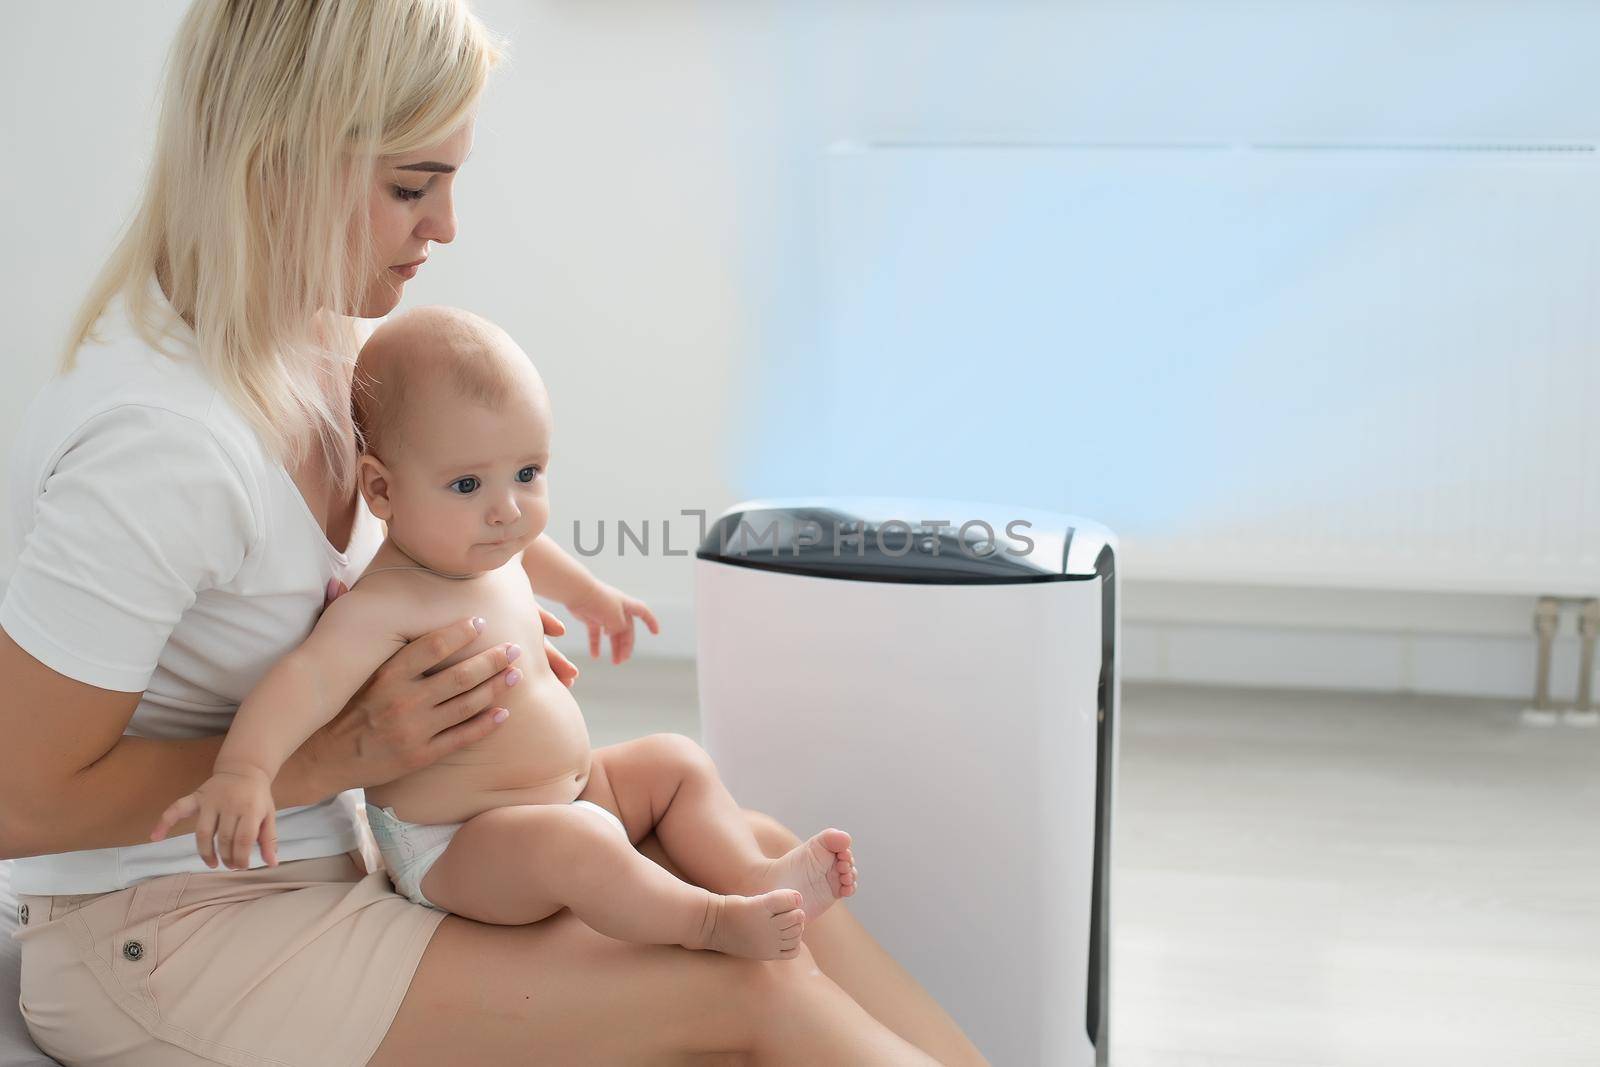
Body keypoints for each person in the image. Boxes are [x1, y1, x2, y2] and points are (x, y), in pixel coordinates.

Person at [0, 1, 990, 1064]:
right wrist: (353, 745)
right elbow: (20, 798)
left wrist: (481, 648)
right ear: (273, 164)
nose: (445, 227)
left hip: (340, 854)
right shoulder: (164, 446)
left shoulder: (337, 344)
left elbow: (424, 571)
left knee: (740, 850)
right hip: (159, 931)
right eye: (410, 187)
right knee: (746, 990)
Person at [151, 305, 858, 962]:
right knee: (581, 842)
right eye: (468, 485)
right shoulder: (386, 601)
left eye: (528, 473)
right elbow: (302, 681)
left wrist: (592, 597)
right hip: (459, 847)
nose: (507, 510)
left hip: (571, 791)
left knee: (675, 760)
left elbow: (531, 549)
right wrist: (245, 770)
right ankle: (709, 921)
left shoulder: (482, 541)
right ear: (383, 489)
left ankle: (757, 874)